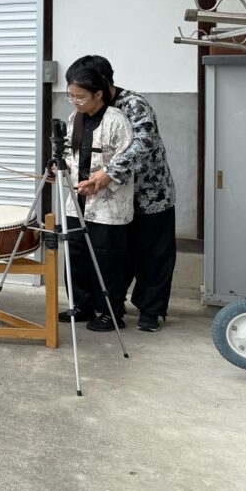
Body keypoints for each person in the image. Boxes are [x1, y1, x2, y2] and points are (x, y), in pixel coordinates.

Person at [73, 55, 177, 332]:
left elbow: (144, 142)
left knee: (153, 254)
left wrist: (110, 172)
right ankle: (104, 306)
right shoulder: (91, 107)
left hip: (149, 193)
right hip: (111, 198)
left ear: (102, 85)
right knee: (116, 255)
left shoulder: (133, 104)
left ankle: (151, 311)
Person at [60, 64, 134, 332]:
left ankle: (109, 313)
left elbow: (127, 160)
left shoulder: (117, 120)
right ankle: (82, 305)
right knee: (76, 253)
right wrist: (60, 166)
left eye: (81, 97)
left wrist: (102, 181)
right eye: (71, 96)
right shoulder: (74, 118)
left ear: (99, 94)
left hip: (108, 204)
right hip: (78, 199)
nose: (75, 101)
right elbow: (70, 153)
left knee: (106, 259)